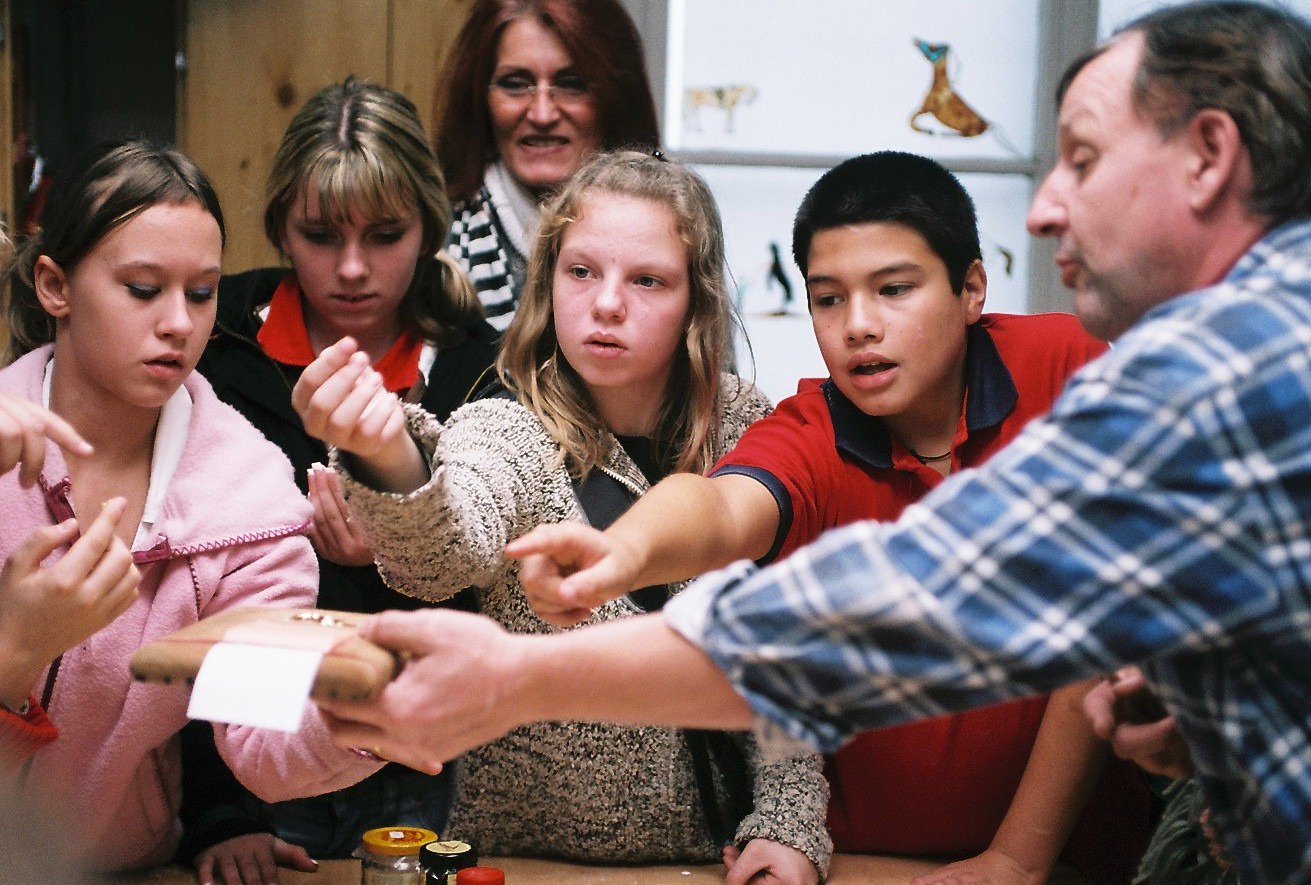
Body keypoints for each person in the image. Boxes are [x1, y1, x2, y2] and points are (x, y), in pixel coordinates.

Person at [298, 4, 1311, 885]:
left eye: (1082, 159)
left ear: (1211, 154)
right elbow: (724, 507)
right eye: (828, 299)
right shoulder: (520, 422)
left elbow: (914, 600)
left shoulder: (1216, 365)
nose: (1045, 204)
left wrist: (516, 679)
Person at [511, 150, 1151, 885]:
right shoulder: (811, 430)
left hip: (1075, 858)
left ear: (970, 287)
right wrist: (620, 551)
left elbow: (1107, 615)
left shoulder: (1067, 369)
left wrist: (1015, 855)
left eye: (893, 289)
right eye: (828, 298)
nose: (858, 326)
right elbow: (718, 506)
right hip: (863, 863)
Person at [293, 150, 832, 885]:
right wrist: (385, 450)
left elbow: (786, 648)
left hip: (718, 861)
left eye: (647, 280)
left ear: (695, 300)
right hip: (520, 859)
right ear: (547, 282)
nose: (607, 304)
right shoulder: (505, 425)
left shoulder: (745, 426)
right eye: (582, 272)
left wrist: (788, 825)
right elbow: (442, 552)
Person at [0, 139, 380, 876]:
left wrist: (365, 715)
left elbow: (263, 746)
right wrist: (16, 646)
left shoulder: (249, 501)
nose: (179, 322)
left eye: (202, 292)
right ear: (55, 286)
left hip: (130, 868)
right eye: (143, 288)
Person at [186, 76, 497, 879]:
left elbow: (492, 594)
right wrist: (222, 813)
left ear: (428, 226)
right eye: (321, 234)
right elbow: (187, 596)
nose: (352, 268)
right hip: (243, 763)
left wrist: (384, 561)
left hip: (415, 764)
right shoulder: (214, 344)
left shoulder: (475, 367)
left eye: (385, 235)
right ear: (280, 227)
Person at [436, 0, 660, 329]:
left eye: (572, 84)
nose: (542, 114)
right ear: (479, 98)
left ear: (617, 95)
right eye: (515, 84)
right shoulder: (431, 242)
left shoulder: (672, 238)